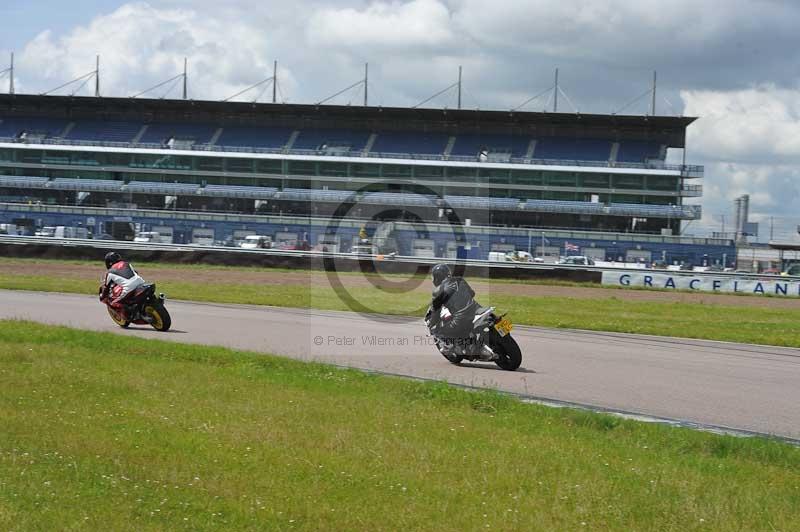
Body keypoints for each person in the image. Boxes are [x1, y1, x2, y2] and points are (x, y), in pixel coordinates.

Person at [426, 263, 480, 340]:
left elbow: (436, 312)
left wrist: (431, 324)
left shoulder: (437, 292)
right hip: (477, 311)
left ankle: (464, 348)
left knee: (438, 331)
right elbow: (472, 293)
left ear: (437, 277)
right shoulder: (460, 280)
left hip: (461, 319)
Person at [100, 251, 146, 319]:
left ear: (108, 262)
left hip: (129, 287)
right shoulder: (127, 263)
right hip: (141, 282)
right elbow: (135, 272)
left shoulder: (109, 273)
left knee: (114, 303)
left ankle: (128, 316)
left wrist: (103, 297)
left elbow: (106, 287)